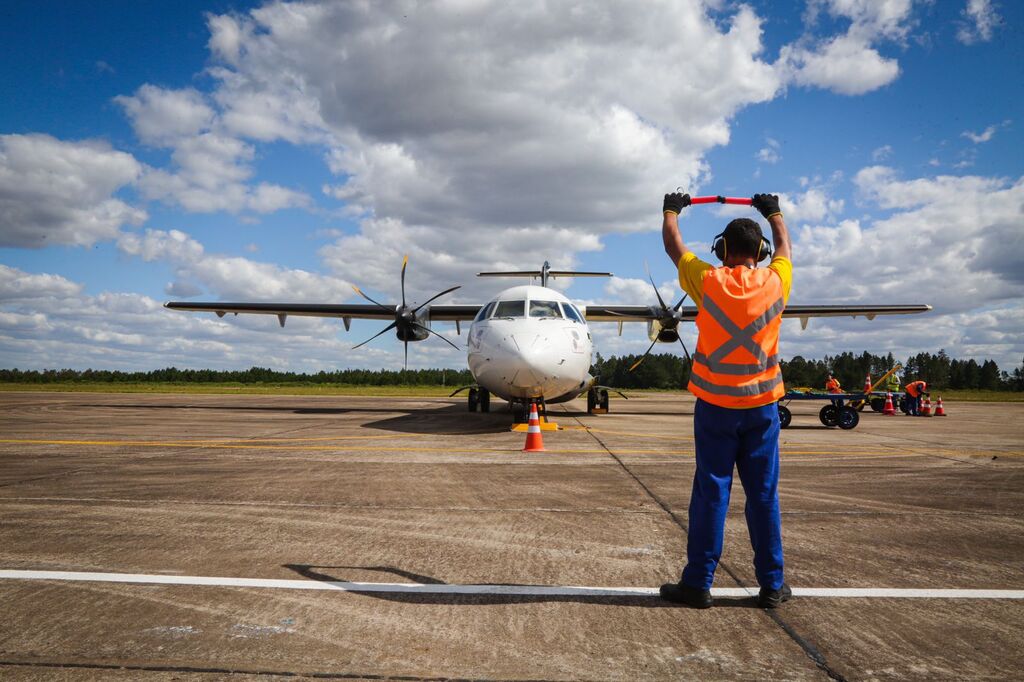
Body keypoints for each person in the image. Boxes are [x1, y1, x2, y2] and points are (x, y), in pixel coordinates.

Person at [658, 191, 793, 609]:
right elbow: (786, 247)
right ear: (760, 252)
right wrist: (773, 212)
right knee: (764, 495)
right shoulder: (776, 281)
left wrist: (672, 211)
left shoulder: (708, 281)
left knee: (711, 494)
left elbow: (673, 245)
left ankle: (698, 583)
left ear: (721, 250)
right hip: (762, 409)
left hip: (715, 408)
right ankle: (772, 585)